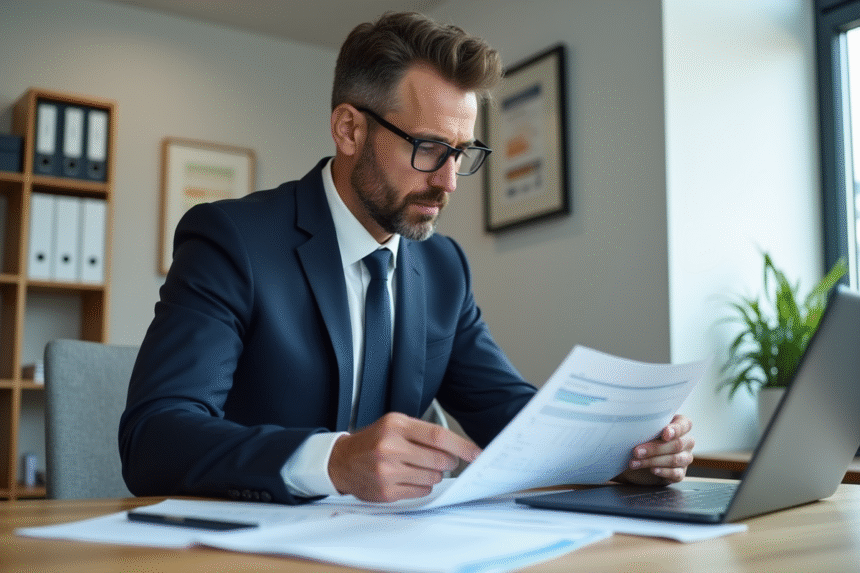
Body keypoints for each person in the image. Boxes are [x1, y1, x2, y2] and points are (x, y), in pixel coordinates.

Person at [119, 11, 694, 505]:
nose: (449, 182)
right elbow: (154, 438)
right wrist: (336, 461)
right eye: (428, 148)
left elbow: (511, 414)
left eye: (462, 153)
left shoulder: (445, 269)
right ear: (349, 129)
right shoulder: (233, 240)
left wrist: (624, 451)